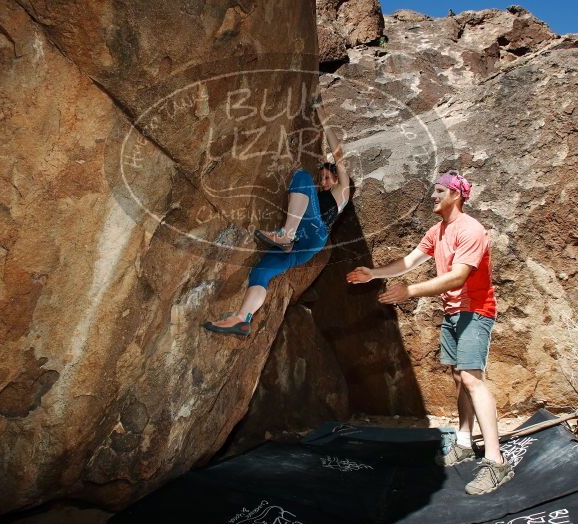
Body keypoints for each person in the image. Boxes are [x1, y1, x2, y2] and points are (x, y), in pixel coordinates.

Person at [345, 170, 512, 495]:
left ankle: (496, 462)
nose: (433, 197)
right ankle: (464, 442)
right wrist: (373, 274)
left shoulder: (471, 230)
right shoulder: (438, 231)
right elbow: (408, 262)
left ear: (456, 195)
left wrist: (409, 291)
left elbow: (456, 278)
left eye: (439, 191)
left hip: (475, 311)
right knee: (457, 377)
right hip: (451, 312)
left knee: (472, 379)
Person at [203, 106, 349, 336]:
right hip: (301, 250)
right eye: (322, 178)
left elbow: (339, 155)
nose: (324, 182)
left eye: (327, 177)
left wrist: (323, 119)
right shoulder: (317, 196)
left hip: (314, 233)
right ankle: (243, 318)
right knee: (261, 272)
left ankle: (286, 234)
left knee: (301, 177)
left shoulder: (342, 192)